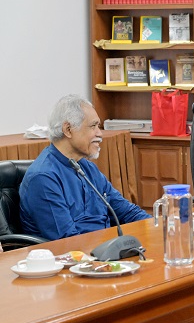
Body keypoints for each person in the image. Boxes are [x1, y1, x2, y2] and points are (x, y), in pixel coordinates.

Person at [20, 95, 151, 240]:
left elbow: (127, 212)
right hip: (74, 257)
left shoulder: (87, 168)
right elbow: (67, 241)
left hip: (104, 249)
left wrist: (157, 227)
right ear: (68, 129)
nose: (99, 133)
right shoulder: (43, 178)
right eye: (93, 126)